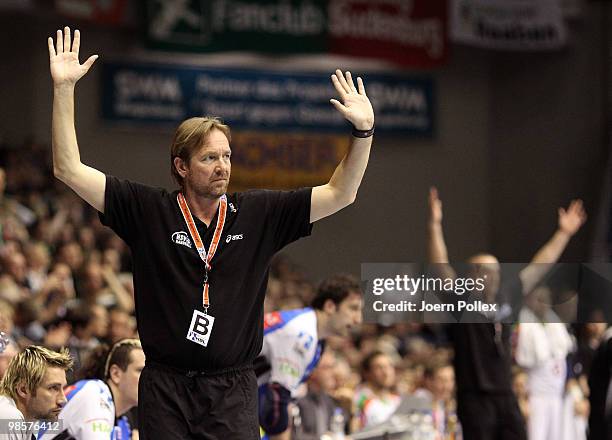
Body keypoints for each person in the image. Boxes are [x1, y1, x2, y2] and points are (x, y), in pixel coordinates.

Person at [48, 27, 374, 440]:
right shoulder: (148, 210)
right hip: (165, 388)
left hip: (233, 390)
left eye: (226, 156)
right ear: (182, 167)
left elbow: (341, 193)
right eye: (209, 158)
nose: (223, 166)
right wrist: (63, 90)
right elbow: (68, 169)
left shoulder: (259, 213)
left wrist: (363, 134)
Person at [427, 187, 586, 440]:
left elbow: (539, 267)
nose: (491, 275)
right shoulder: (462, 300)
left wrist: (564, 233)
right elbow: (440, 267)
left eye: (494, 270)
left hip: (505, 393)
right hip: (475, 396)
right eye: (483, 270)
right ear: (472, 275)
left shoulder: (507, 297)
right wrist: (434, 226)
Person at [256, 274, 362, 439]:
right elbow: (276, 401)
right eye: (353, 308)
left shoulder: (316, 338)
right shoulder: (302, 334)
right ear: (330, 306)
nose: (358, 319)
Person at [38, 338, 144, 440]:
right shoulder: (94, 396)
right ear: (116, 374)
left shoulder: (122, 419)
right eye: (140, 370)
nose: (147, 379)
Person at [0, 345, 72, 440]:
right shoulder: (7, 416)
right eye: (53, 388)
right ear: (23, 390)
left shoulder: (30, 420)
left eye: (63, 388)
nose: (63, 400)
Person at [353, 350, 401, 429]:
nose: (386, 373)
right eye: (380, 368)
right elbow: (355, 432)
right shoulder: (360, 399)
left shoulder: (396, 399)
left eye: (389, 366)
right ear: (367, 373)